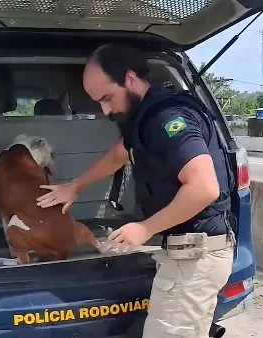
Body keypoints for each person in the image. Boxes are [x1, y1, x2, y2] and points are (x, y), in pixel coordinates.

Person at [36, 44, 235, 338]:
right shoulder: (145, 116)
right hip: (188, 255)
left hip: (195, 259)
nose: (105, 110)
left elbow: (204, 188)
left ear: (130, 79)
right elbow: (120, 153)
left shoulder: (167, 118)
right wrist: (76, 186)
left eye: (107, 98)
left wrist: (144, 229)